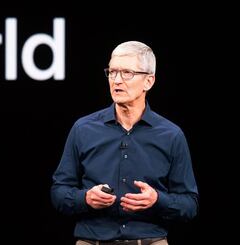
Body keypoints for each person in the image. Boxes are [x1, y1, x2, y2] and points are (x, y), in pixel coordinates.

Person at [51, 41, 198, 245]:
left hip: (149, 240)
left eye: (127, 72)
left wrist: (157, 200)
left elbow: (189, 204)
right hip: (93, 239)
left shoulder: (171, 135)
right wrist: (85, 198)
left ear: (149, 81)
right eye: (112, 72)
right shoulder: (83, 129)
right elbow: (58, 193)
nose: (117, 80)